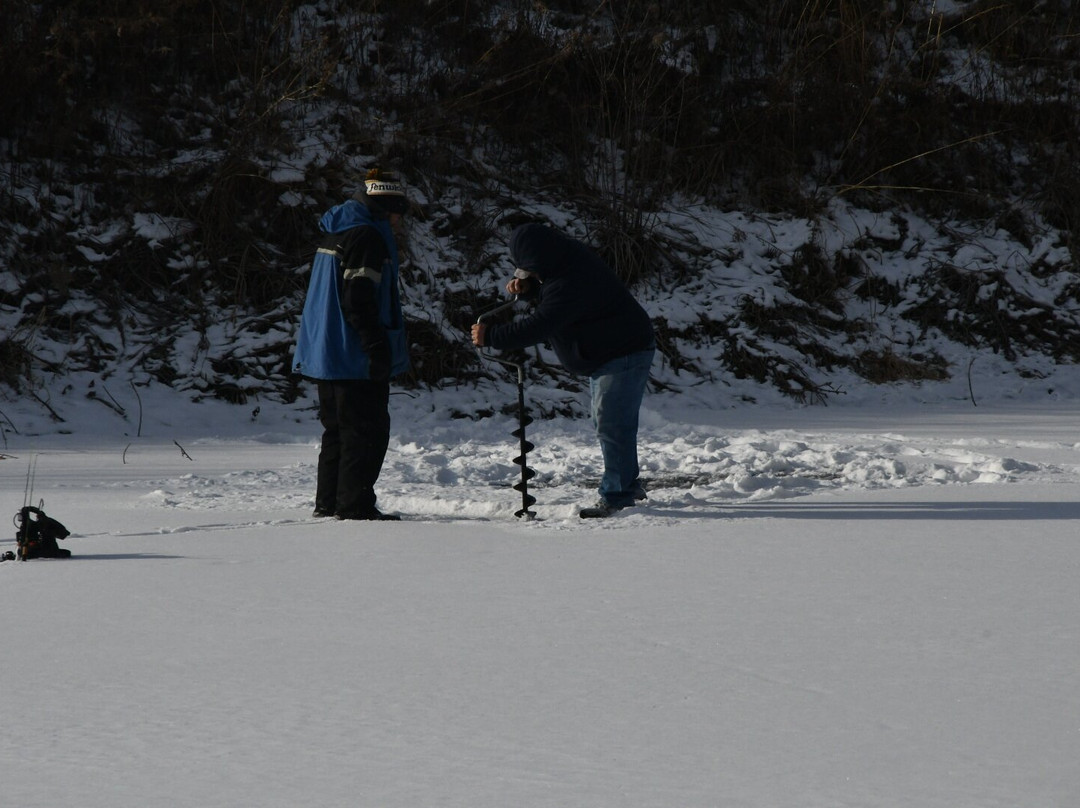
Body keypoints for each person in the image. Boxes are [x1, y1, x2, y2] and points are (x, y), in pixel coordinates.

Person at [471, 223, 655, 518]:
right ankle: (627, 484)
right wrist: (532, 288)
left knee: (611, 421)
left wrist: (492, 336)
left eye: (530, 268)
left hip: (625, 350)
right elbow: (552, 298)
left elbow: (541, 324)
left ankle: (618, 495)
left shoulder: (572, 280)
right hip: (611, 349)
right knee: (608, 421)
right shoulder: (565, 261)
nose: (525, 273)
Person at [292, 168, 411, 521]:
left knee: (337, 432)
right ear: (386, 208)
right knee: (366, 431)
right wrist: (376, 347)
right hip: (352, 353)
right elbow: (359, 298)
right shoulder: (367, 238)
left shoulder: (337, 230)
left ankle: (328, 502)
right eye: (398, 213)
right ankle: (354, 506)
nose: (400, 222)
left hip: (325, 351)